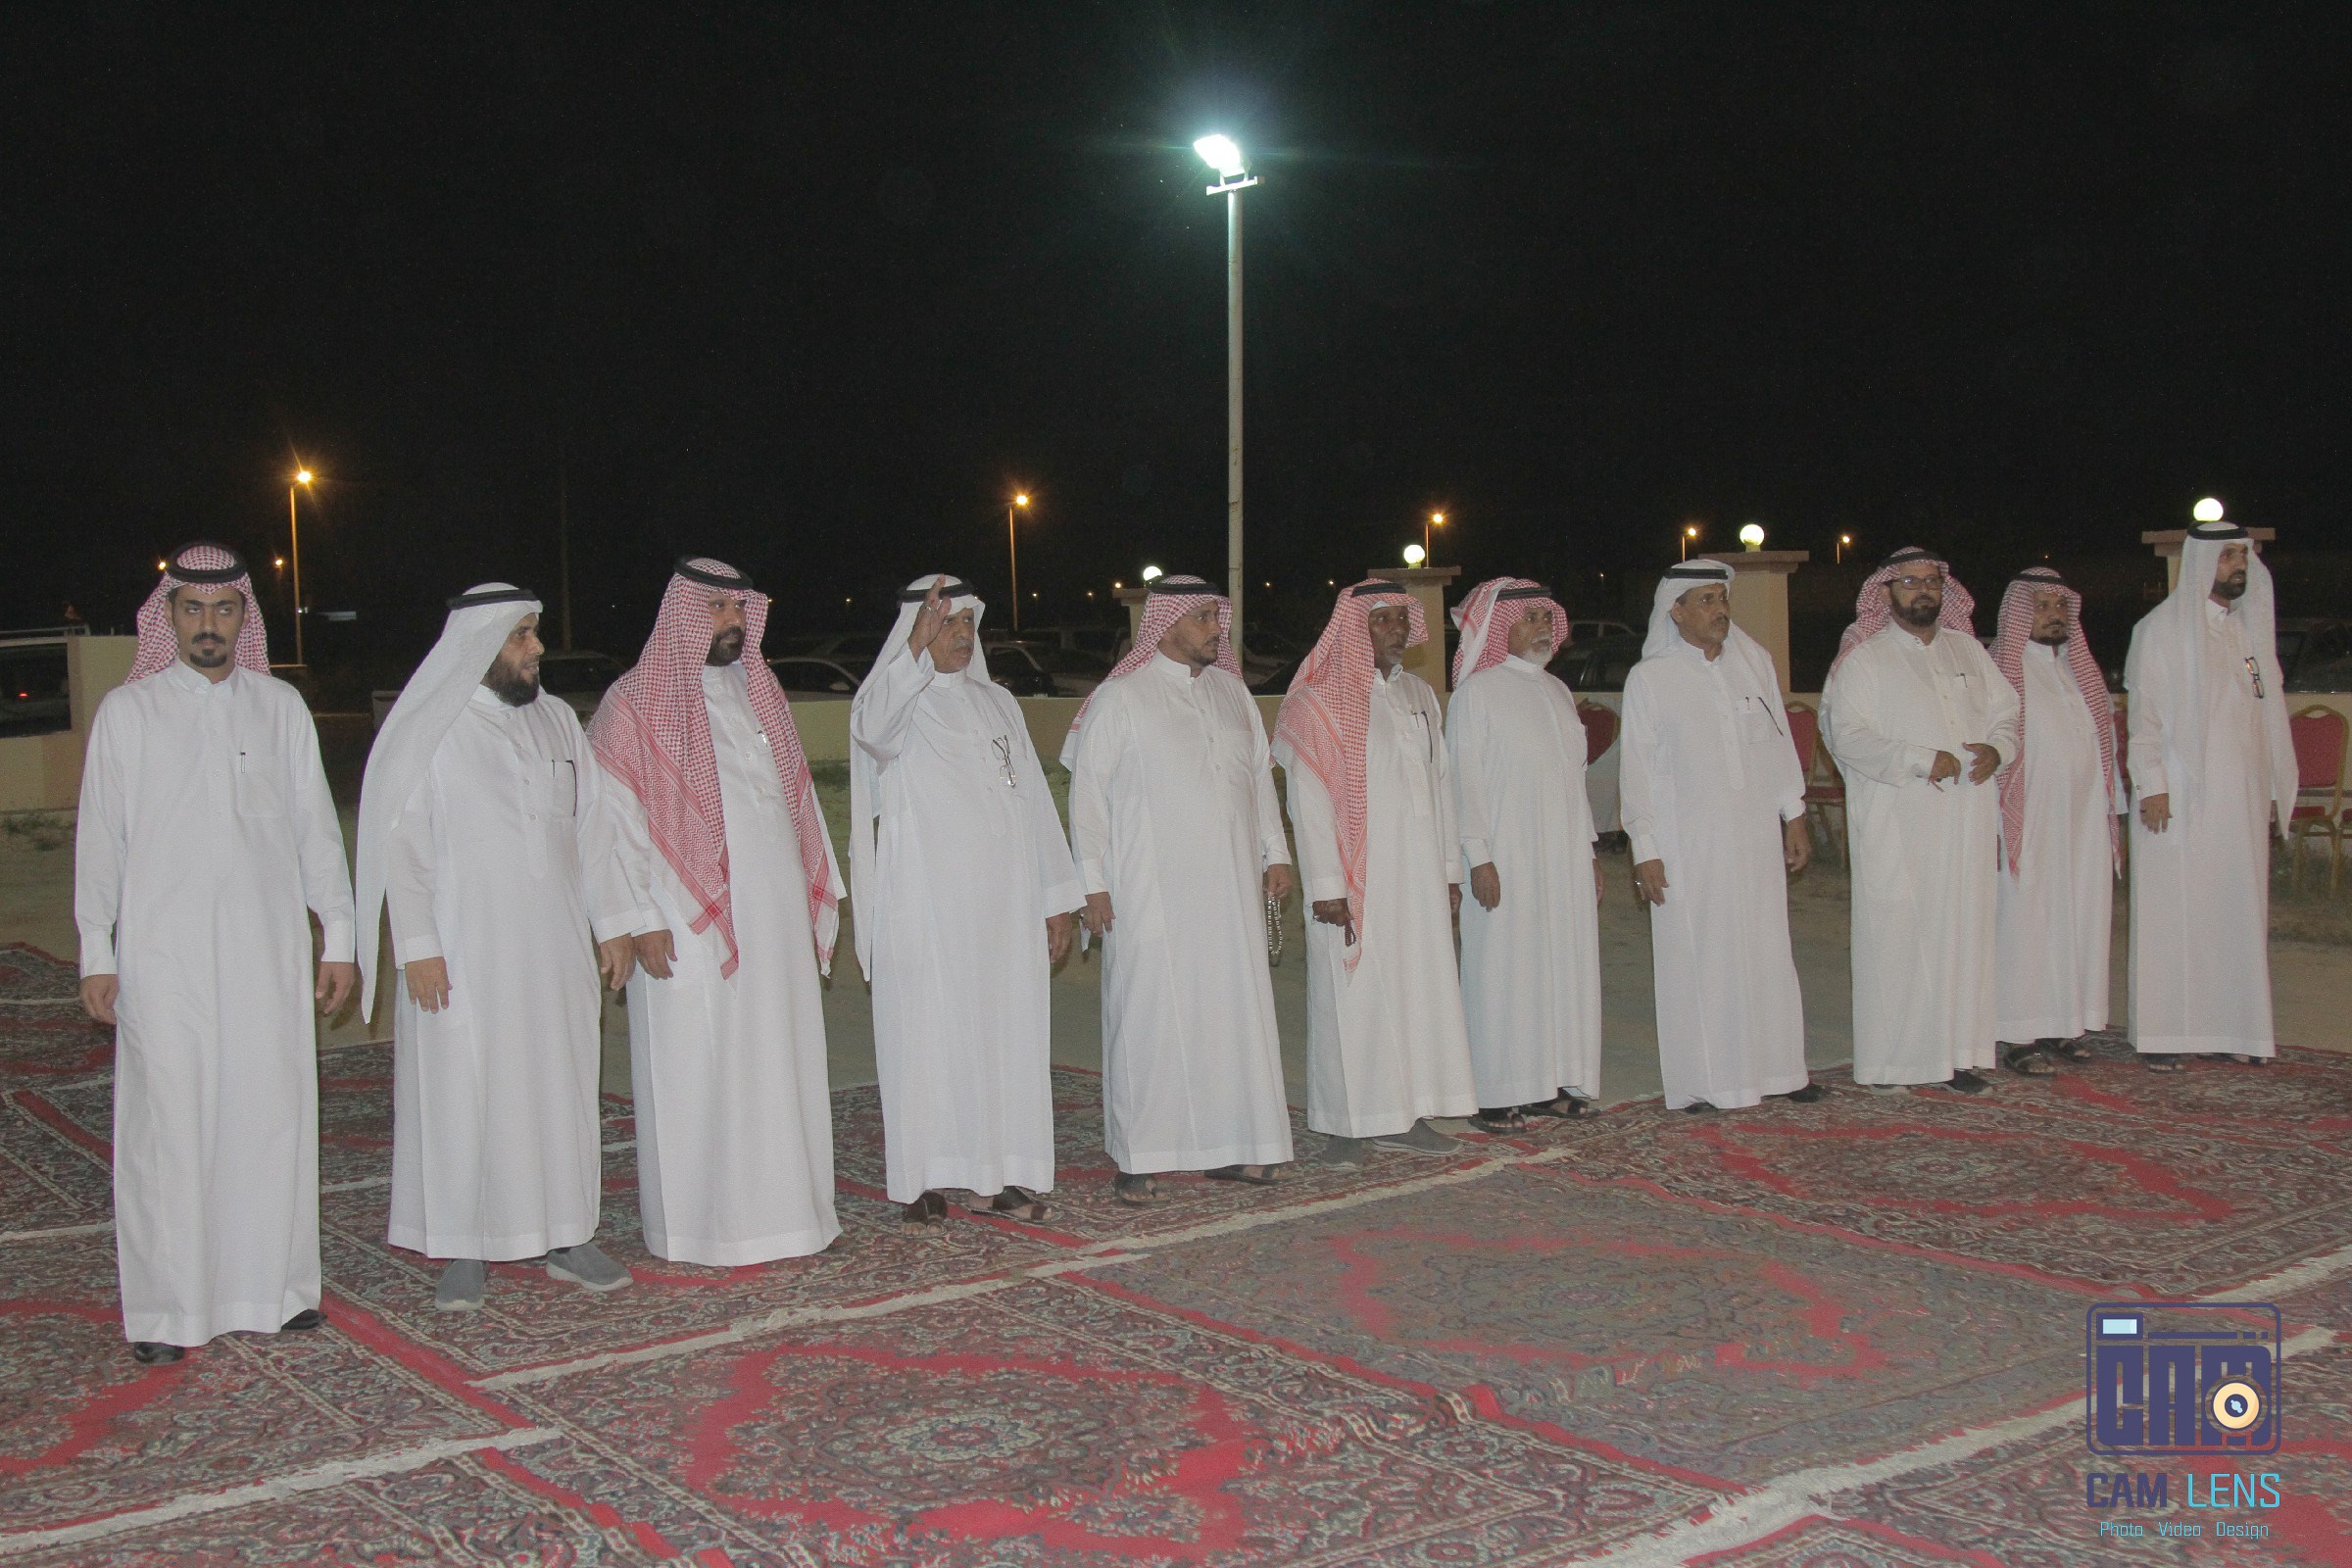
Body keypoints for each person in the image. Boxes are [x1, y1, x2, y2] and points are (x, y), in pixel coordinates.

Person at [74, 543, 357, 1363]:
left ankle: (276, 1292)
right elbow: (101, 842)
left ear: (244, 618)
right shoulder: (128, 714)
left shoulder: (279, 709)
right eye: (193, 609)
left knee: (269, 1118)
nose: (209, 624)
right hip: (163, 961)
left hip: (267, 956)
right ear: (168, 617)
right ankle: (167, 1312)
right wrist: (98, 951)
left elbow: (315, 832)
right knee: (170, 1130)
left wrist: (338, 937)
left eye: (224, 609)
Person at [356, 585, 643, 1309]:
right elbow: (403, 842)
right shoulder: (432, 728)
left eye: (534, 632)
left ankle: (568, 1233)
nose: (536, 648)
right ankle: (465, 1244)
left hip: (554, 949)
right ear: (479, 644)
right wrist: (417, 945)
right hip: (464, 951)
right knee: (465, 1092)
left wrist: (612, 922)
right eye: (521, 635)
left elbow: (593, 828)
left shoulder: (557, 721)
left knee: (561, 1086)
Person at [590, 558, 844, 1265]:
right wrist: (638, 916)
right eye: (715, 609)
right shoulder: (633, 703)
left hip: (774, 915)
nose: (732, 621)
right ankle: (705, 1227)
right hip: (685, 922)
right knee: (702, 1063)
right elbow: (610, 822)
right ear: (681, 614)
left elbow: (797, 800)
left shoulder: (760, 691)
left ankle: (792, 1217)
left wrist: (813, 894)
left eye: (738, 608)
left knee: (781, 1056)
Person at [851, 575, 1083, 1230]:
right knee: (926, 1036)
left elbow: (1034, 803)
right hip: (926, 906)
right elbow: (871, 731)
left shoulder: (998, 702)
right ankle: (922, 1179)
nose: (958, 635)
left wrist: (1055, 899)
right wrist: (913, 651)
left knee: (1004, 1037)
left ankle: (994, 1176)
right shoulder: (893, 700)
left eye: (966, 624)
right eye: (945, 623)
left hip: (1004, 908)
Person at [1063, 576, 1295, 1202]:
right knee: (1150, 1017)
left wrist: (1276, 853)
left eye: (1217, 617)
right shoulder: (1121, 699)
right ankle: (1140, 1155)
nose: (1217, 630)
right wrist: (1092, 884)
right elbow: (1087, 796)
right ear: (1164, 625)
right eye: (1203, 619)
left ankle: (1229, 1145)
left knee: (1229, 1014)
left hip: (1231, 891)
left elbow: (1258, 780)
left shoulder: (1233, 694)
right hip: (1149, 891)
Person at [1273, 580, 1477, 1167]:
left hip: (1418, 877)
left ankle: (1408, 1113)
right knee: (1352, 1000)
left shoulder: (1419, 694)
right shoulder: (1316, 702)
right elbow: (1308, 799)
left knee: (1418, 991)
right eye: (1381, 619)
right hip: (1354, 881)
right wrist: (1326, 885)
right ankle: (1347, 1125)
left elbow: (1441, 784)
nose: (1396, 630)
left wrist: (1449, 869)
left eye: (1401, 619)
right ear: (1353, 628)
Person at [1619, 562, 1822, 1112]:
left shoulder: (1753, 664)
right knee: (1701, 958)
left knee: (1768, 950)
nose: (1719, 610)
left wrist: (1794, 814)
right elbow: (1637, 772)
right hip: (1688, 845)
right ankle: (1705, 1082)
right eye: (1705, 600)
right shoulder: (1651, 678)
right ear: (1676, 611)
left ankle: (1780, 1071)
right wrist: (1645, 850)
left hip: (1754, 839)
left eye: (1721, 598)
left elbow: (1777, 744)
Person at [1823, 548, 2019, 1094]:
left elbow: (2007, 714)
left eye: (1932, 581)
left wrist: (1999, 749)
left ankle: (1958, 1056)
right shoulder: (1866, 659)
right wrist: (1920, 759)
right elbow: (1847, 736)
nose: (1923, 590)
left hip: (1966, 818)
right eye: (1910, 582)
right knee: (1901, 936)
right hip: (1900, 823)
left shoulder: (1969, 651)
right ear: (1887, 591)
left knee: (1963, 934)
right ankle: (1897, 1062)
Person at [2124, 522, 2298, 1068]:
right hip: (2180, 798)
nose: (2237, 566)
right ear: (2201, 564)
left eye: (2241, 556)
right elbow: (2144, 715)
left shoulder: (2247, 631)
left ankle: (2230, 1028)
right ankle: (2163, 1036)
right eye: (2225, 557)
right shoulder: (2160, 630)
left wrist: (2272, 790)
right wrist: (2151, 785)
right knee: (2174, 914)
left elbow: (2261, 718)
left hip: (2239, 801)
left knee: (2233, 913)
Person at [1444, 577, 1603, 1132]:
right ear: (1497, 628)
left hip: (1563, 856)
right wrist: (1479, 857)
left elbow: (1574, 781)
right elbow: (1463, 783)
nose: (1542, 628)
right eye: (1529, 618)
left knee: (1560, 967)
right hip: (1505, 856)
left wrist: (1589, 853)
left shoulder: (1557, 691)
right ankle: (1494, 1091)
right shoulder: (1476, 694)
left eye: (1546, 618)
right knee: (1504, 969)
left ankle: (1547, 1084)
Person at [1988, 568, 2124, 1075]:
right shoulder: (2002, 669)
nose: (2053, 616)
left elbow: (2104, 744)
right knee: (2025, 919)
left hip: (2081, 819)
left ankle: (2061, 1022)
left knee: (2077, 914)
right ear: (2020, 612)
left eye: (2061, 606)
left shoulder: (2076, 669)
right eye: (2042, 606)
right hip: (2027, 819)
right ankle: (2016, 1031)